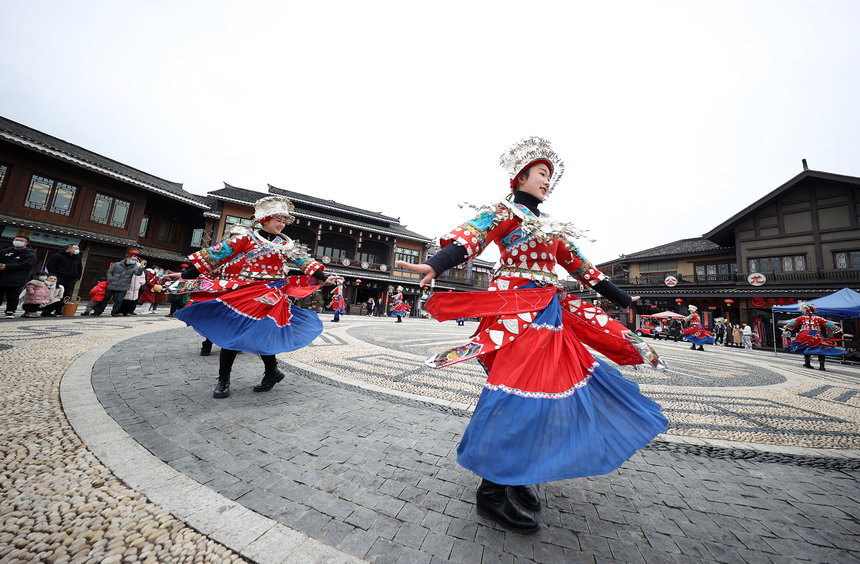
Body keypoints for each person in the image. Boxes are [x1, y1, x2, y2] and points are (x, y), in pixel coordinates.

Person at [397, 136, 667, 535]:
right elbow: (471, 237)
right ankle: (491, 492)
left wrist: (634, 303)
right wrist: (436, 265)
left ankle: (516, 472)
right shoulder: (502, 212)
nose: (547, 181)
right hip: (513, 310)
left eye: (551, 177)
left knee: (544, 390)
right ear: (521, 175)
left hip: (549, 314)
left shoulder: (553, 228)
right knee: (515, 391)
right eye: (542, 173)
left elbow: (587, 271)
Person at [163, 196, 342, 398]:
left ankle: (269, 372)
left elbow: (304, 262)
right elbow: (217, 255)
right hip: (247, 292)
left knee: (261, 331)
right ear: (265, 219)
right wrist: (186, 275)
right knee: (235, 332)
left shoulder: (287, 245)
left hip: (272, 294)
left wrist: (324, 278)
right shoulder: (247, 239)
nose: (282, 225)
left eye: (284, 221)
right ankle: (228, 379)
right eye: (278, 220)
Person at [782, 302, 849, 371]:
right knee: (821, 348)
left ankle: (807, 363)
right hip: (816, 335)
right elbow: (830, 325)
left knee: (806, 347)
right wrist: (840, 333)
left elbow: (792, 324)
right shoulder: (819, 318)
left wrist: (785, 329)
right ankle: (822, 366)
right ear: (813, 310)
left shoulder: (801, 318)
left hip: (805, 335)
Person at [0, 235, 38, 318]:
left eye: (21, 240)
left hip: (16, 278)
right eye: (16, 239)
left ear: (26, 243)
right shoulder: (5, 251)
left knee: (12, 295)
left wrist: (7, 266)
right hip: (2, 276)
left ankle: (10, 311)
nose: (18, 241)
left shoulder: (30, 253)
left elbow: (27, 264)